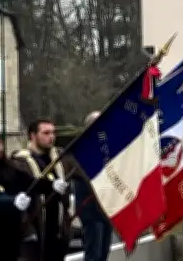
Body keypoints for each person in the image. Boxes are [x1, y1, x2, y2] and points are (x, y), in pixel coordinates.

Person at [0, 128, 54, 261]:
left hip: (18, 229)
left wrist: (52, 185)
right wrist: (12, 202)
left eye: (0, 144)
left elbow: (31, 183)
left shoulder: (10, 167)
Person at [13, 119, 73, 261]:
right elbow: (27, 185)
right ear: (33, 136)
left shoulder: (59, 158)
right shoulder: (21, 161)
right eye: (46, 133)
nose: (51, 137)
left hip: (58, 226)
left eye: (53, 133)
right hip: (36, 225)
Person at [73, 111, 113, 261]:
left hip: (106, 208)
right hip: (90, 207)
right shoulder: (82, 148)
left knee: (104, 251)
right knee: (93, 253)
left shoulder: (106, 146)